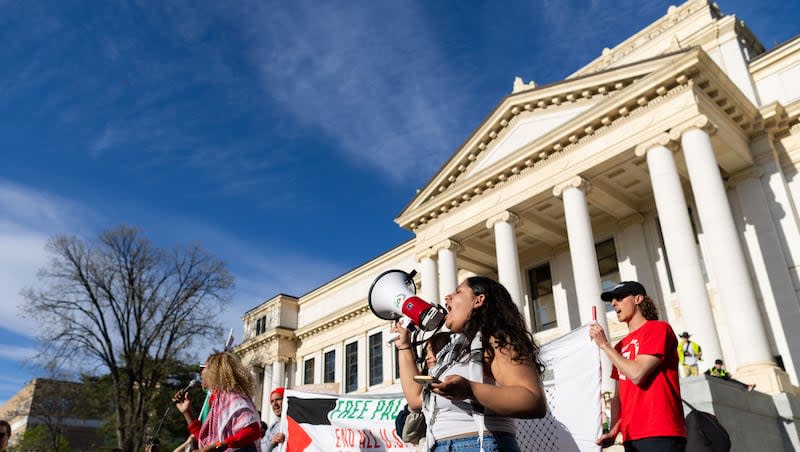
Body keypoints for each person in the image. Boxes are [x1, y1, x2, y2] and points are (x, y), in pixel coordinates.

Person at [393, 276, 547, 452]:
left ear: (478, 300)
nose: (447, 298)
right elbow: (415, 399)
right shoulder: (451, 353)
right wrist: (404, 346)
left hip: (480, 444)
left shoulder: (497, 339)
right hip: (441, 446)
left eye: (458, 292)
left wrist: (470, 390)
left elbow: (532, 401)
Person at [589, 281, 686, 452]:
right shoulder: (619, 347)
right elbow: (619, 396)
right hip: (631, 436)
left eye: (619, 298)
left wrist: (604, 345)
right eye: (612, 300)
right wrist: (613, 430)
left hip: (660, 431)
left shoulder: (659, 329)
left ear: (638, 299)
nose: (613, 304)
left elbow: (637, 373)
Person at [173, 351, 262, 452]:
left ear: (216, 371)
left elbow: (252, 431)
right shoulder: (219, 401)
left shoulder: (234, 398)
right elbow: (207, 440)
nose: (201, 370)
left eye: (204, 367)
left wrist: (218, 445)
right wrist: (187, 411)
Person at [262, 387, 286, 452]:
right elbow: (261, 449)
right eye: (272, 401)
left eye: (278, 399)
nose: (275, 404)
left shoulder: (296, 424)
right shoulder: (272, 428)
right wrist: (272, 441)